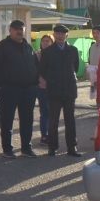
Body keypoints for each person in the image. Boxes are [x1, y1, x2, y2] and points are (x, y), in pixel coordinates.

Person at [0, 19, 39, 158]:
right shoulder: (2, 47)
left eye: (21, 29)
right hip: (9, 89)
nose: (19, 31)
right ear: (10, 30)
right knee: (7, 120)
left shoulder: (28, 47)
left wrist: (35, 83)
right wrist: (0, 85)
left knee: (27, 120)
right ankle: (7, 149)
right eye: (16, 29)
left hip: (28, 90)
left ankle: (26, 148)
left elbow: (34, 66)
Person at [39, 24, 82, 157]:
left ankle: (72, 148)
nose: (60, 36)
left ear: (66, 35)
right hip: (54, 90)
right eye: (57, 33)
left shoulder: (73, 50)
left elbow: (75, 67)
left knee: (70, 120)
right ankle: (52, 147)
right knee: (53, 120)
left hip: (69, 90)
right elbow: (43, 70)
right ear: (54, 35)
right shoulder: (47, 52)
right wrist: (51, 81)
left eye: (62, 34)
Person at [33, 34, 52, 145]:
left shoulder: (54, 54)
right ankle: (44, 136)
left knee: (52, 113)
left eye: (48, 41)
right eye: (43, 41)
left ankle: (51, 134)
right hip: (41, 88)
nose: (45, 42)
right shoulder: (37, 55)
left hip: (53, 87)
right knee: (44, 112)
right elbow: (34, 70)